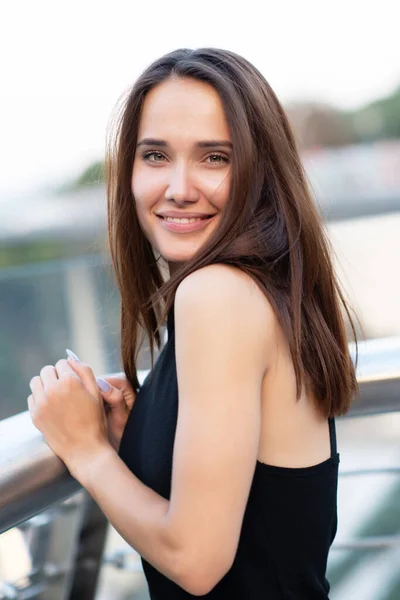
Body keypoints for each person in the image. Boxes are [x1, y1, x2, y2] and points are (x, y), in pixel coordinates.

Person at [27, 47, 358, 598]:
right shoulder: (265, 291)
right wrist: (142, 439)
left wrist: (85, 450)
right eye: (155, 155)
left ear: (260, 171)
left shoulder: (216, 295)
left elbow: (196, 559)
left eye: (215, 157)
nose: (179, 187)